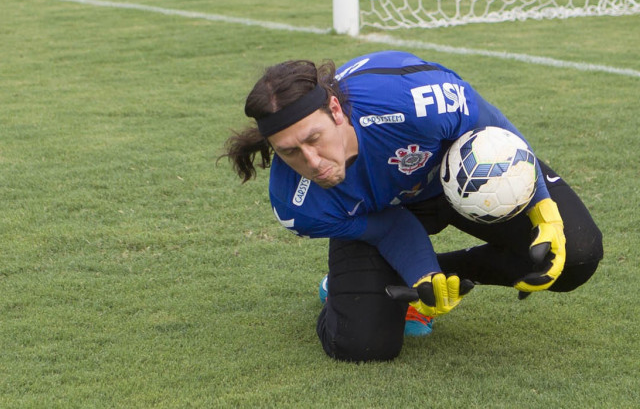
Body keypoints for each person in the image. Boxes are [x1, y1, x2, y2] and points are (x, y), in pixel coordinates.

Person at [222, 50, 602, 362]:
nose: (313, 162)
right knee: (363, 346)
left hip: (462, 176)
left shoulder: (412, 99)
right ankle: (349, 289)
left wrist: (543, 210)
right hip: (382, 213)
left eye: (315, 139)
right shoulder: (296, 204)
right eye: (291, 152)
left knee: (575, 254)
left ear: (335, 111)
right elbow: (386, 226)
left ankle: (434, 274)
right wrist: (421, 272)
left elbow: (495, 131)